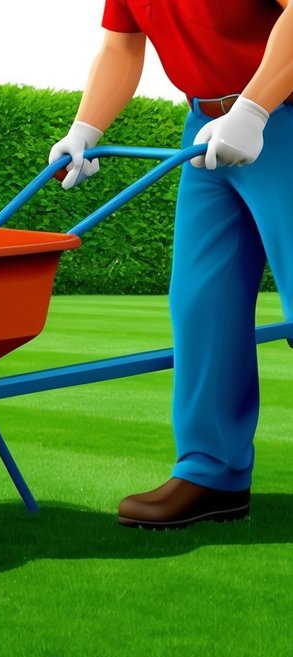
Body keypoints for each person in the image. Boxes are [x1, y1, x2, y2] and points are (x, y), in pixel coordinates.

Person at [49, 0, 293, 529]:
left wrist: (253, 110)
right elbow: (120, 45)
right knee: (203, 305)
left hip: (281, 114)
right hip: (207, 132)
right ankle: (212, 473)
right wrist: (84, 129)